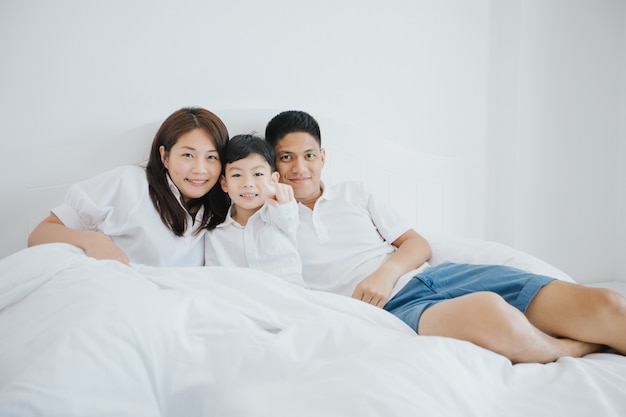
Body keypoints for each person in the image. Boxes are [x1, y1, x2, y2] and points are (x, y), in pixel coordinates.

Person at [264, 109, 626, 364]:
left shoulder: (354, 192)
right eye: (286, 157)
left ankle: (591, 337)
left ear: (323, 157)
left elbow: (418, 244)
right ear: (272, 165)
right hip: (398, 310)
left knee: (609, 305)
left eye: (309, 155)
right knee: (494, 318)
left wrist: (385, 273)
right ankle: (575, 349)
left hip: (437, 276)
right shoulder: (270, 223)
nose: (300, 168)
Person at [28, 106, 230, 267]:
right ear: (165, 156)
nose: (200, 169)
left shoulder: (223, 212)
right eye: (188, 155)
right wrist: (92, 241)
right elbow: (40, 235)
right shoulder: (130, 184)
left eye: (211, 157)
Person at [205, 134, 307, 288]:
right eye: (237, 175)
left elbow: (288, 216)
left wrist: (282, 200)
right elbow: (214, 281)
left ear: (273, 179)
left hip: (289, 298)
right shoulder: (215, 233)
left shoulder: (279, 216)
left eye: (258, 174)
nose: (248, 183)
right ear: (224, 183)